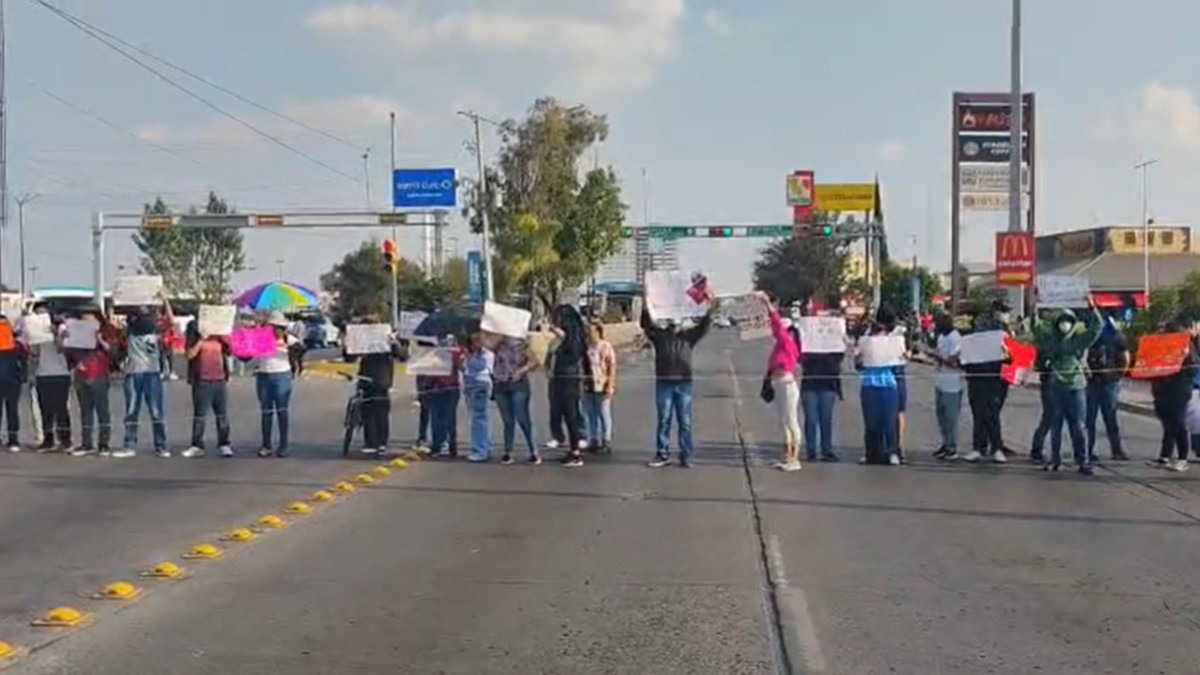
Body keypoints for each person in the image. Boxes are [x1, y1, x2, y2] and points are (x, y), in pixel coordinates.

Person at [640, 301, 713, 469]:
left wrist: (708, 306)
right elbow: (645, 325)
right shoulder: (660, 336)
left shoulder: (689, 337)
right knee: (664, 419)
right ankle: (662, 454)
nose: (674, 323)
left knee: (685, 421)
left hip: (684, 384)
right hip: (664, 383)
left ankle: (686, 455)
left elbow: (704, 326)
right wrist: (646, 305)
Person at [1034, 301, 1103, 475]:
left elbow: (1097, 328)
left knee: (1079, 426)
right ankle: (1055, 460)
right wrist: (1034, 306)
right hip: (1056, 387)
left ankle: (1083, 462)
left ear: (1073, 322)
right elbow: (1036, 327)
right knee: (1056, 426)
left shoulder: (1079, 340)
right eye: (1062, 321)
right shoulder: (1050, 340)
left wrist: (1092, 308)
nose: (1065, 324)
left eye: (1068, 320)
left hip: (1077, 387)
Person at [343, 318, 405, 455]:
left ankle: (382, 442)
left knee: (381, 412)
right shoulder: (362, 342)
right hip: (365, 378)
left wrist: (394, 343)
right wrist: (348, 343)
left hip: (382, 380)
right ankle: (370, 441)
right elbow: (349, 358)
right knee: (367, 411)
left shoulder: (387, 342)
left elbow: (402, 356)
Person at [120, 297, 173, 458]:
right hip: (133, 373)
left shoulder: (155, 332)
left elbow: (170, 321)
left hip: (152, 373)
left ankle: (161, 446)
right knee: (131, 411)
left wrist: (165, 300)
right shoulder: (129, 333)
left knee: (156, 411)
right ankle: (129, 444)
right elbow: (112, 322)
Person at [961, 300, 1012, 464]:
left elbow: (1012, 356)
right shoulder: (982, 325)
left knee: (992, 413)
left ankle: (996, 447)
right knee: (978, 412)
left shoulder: (1006, 330)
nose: (1005, 314)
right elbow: (969, 347)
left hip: (997, 377)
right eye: (1003, 310)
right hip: (977, 375)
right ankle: (979, 447)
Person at [759, 292, 802, 471]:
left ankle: (794, 458)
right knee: (783, 421)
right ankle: (786, 456)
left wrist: (767, 303)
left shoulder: (788, 343)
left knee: (791, 420)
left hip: (787, 385)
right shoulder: (780, 345)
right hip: (778, 385)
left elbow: (776, 324)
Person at [855, 314, 905, 466]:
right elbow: (858, 366)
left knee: (889, 421)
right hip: (869, 386)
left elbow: (899, 366)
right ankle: (872, 453)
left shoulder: (893, 344)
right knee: (871, 423)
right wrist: (860, 357)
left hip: (888, 386)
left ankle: (892, 452)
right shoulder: (865, 344)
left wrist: (901, 355)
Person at [1151, 318, 1198, 472]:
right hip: (1162, 390)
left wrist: (1181, 358)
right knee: (1168, 424)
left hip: (1179, 390)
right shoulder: (1161, 346)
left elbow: (1192, 369)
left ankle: (1182, 458)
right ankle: (1165, 456)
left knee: (1178, 423)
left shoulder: (1186, 346)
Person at [183, 319, 233, 458]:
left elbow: (230, 352)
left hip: (219, 381)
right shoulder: (197, 335)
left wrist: (223, 338)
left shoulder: (219, 339)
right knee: (200, 415)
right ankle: (197, 445)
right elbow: (189, 355)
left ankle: (224, 444)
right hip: (202, 382)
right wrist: (201, 340)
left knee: (222, 414)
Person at [70, 306, 116, 456]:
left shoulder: (105, 331)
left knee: (102, 410)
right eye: (82, 317)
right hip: (81, 375)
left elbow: (114, 351)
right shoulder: (76, 332)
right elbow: (68, 352)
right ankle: (86, 443)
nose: (85, 320)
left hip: (99, 375)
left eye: (88, 317)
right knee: (85, 411)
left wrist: (100, 340)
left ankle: (103, 443)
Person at [253, 311, 300, 457]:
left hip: (282, 376)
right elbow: (246, 353)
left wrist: (286, 347)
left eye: (278, 327)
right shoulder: (261, 337)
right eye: (272, 327)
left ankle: (283, 445)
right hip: (263, 375)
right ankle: (266, 444)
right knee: (266, 412)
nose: (275, 330)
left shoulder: (288, 339)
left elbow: (301, 350)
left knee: (282, 411)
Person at [1084, 316, 1130, 462]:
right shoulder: (1091, 339)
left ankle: (1103, 450)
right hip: (1099, 382)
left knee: (1104, 418)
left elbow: (1125, 359)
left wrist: (1118, 374)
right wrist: (1118, 374)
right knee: (1098, 418)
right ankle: (1100, 450)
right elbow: (1125, 359)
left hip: (1105, 382)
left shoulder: (1114, 338)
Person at [548, 305, 589, 467]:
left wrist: (559, 333)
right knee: (565, 414)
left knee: (571, 415)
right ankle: (573, 449)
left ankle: (576, 453)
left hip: (568, 378)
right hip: (562, 377)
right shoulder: (573, 335)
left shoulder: (573, 337)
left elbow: (572, 349)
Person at [492, 336, 539, 465]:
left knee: (522, 418)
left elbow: (535, 362)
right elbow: (485, 344)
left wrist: (522, 370)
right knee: (507, 421)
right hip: (501, 384)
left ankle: (533, 451)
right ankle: (508, 451)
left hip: (518, 385)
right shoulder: (498, 345)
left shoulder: (522, 346)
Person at [32, 312, 73, 452]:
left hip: (60, 374)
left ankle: (65, 439)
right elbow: (34, 352)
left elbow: (63, 349)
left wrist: (56, 334)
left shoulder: (63, 328)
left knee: (61, 409)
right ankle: (48, 439)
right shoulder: (38, 331)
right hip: (43, 373)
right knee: (45, 409)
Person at [799, 336, 843, 463]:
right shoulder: (807, 346)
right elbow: (801, 359)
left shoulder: (834, 348)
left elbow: (839, 358)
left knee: (826, 419)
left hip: (828, 385)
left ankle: (826, 450)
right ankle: (811, 451)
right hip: (809, 385)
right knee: (811, 419)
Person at [931, 313, 965, 461]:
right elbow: (940, 356)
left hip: (953, 384)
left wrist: (939, 358)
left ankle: (952, 447)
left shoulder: (955, 338)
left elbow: (954, 361)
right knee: (941, 416)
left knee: (951, 418)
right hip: (940, 381)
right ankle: (945, 443)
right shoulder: (941, 337)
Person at [582, 320, 617, 454]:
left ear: (598, 332)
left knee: (603, 413)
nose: (589, 334)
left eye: (591, 331)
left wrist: (610, 385)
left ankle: (606, 440)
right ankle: (594, 439)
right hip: (588, 384)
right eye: (587, 332)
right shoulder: (586, 347)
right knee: (590, 413)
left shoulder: (605, 346)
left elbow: (612, 366)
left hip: (602, 383)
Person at [464, 330, 495, 463]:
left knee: (478, 418)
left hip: (480, 385)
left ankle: (480, 450)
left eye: (477, 341)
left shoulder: (486, 354)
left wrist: (469, 357)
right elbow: (466, 370)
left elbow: (482, 367)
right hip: (471, 385)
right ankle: (485, 447)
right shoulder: (472, 353)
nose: (474, 343)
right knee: (477, 418)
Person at [429, 335, 463, 458]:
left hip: (450, 386)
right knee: (436, 418)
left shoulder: (455, 349)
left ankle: (450, 446)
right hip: (435, 387)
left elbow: (461, 366)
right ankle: (437, 445)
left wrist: (454, 353)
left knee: (449, 417)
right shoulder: (433, 351)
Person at [0, 312, 24, 452]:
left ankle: (13, 439)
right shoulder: (16, 344)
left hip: (10, 380)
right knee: (12, 410)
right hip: (13, 380)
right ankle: (13, 440)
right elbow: (24, 360)